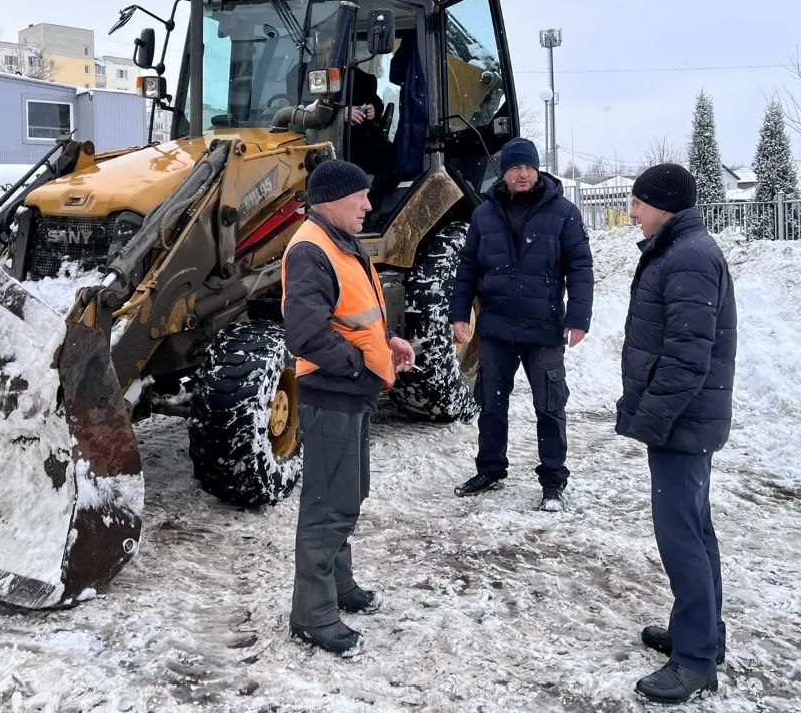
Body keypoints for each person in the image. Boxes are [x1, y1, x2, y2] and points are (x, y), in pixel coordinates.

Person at [282, 159, 416, 658]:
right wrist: (361, 366)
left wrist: (387, 344)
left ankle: (340, 587)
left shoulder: (340, 243)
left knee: (348, 493)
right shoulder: (311, 249)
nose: (367, 204)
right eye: (360, 196)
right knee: (327, 506)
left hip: (351, 393)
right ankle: (312, 616)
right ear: (332, 199)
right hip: (333, 396)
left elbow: (350, 317)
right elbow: (306, 333)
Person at [619, 163, 737, 704]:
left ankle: (694, 661)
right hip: (686, 420)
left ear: (662, 205)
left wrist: (654, 418)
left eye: (639, 203)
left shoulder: (687, 255)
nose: (634, 212)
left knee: (681, 537)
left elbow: (687, 358)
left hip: (681, 422)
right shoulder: (680, 247)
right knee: (695, 528)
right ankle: (703, 634)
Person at [448, 137, 594, 511]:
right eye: (515, 167)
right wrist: (459, 313)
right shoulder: (485, 214)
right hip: (496, 329)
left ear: (537, 169)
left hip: (544, 329)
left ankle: (553, 479)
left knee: (549, 405)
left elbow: (580, 266)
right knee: (491, 404)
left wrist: (578, 316)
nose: (523, 174)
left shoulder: (563, 212)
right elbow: (468, 268)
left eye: (529, 167)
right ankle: (491, 468)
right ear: (505, 171)